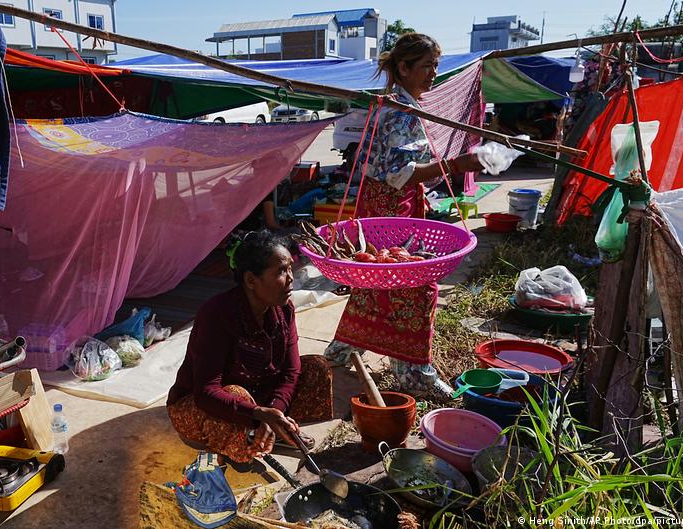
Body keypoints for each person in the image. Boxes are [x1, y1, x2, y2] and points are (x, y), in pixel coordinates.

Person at [328, 33, 485, 391]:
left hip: (380, 205)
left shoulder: (394, 104)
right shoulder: (401, 113)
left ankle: (343, 349)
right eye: (427, 65)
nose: (434, 73)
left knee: (374, 280)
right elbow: (402, 174)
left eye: (436, 65)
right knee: (415, 287)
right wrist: (458, 163)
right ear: (404, 67)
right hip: (390, 210)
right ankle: (413, 373)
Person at [167, 230, 333, 463]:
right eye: (281, 271)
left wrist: (274, 411)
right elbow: (206, 392)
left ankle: (272, 429)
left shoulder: (284, 309)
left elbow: (290, 371)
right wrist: (257, 414)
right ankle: (252, 434)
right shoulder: (216, 314)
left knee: (316, 368)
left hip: (259, 396)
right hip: (205, 405)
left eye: (289, 268)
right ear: (251, 281)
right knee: (236, 392)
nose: (291, 277)